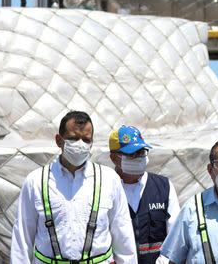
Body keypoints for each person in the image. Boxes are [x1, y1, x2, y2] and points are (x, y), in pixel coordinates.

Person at [11, 110, 137, 264]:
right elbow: (22, 238)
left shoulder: (109, 180)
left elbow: (123, 234)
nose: (80, 145)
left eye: (86, 140)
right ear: (59, 140)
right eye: (73, 139)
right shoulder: (36, 181)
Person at [109, 125, 180, 264]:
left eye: (142, 152)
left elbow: (176, 237)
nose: (138, 158)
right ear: (114, 158)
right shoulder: (106, 188)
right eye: (131, 154)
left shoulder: (163, 187)